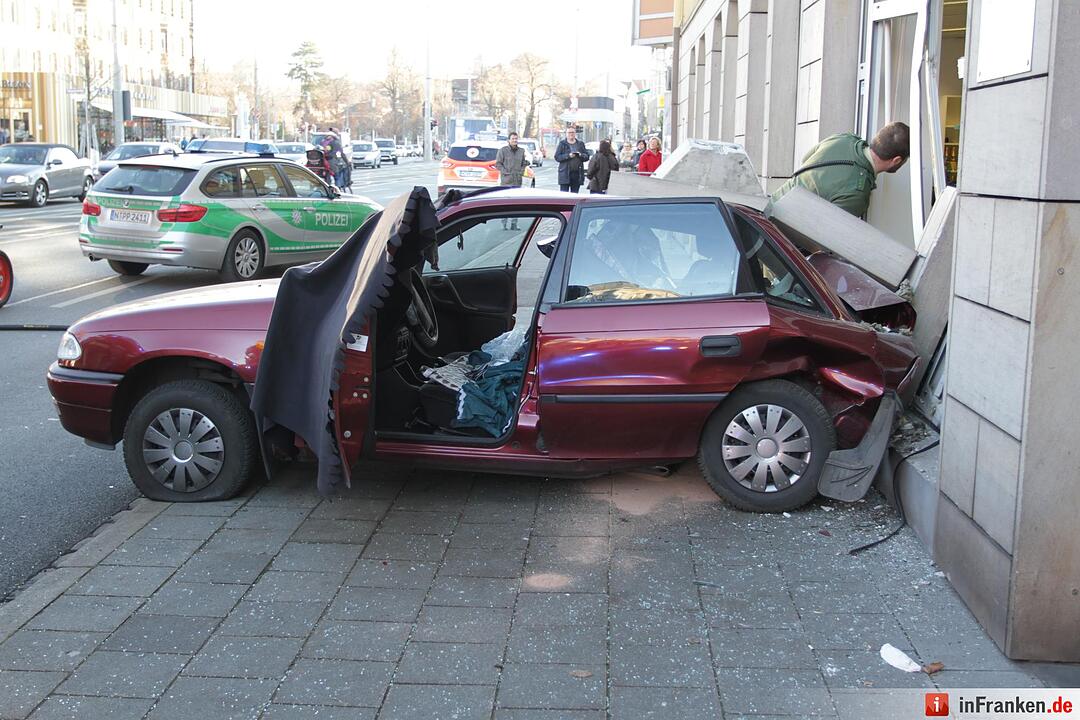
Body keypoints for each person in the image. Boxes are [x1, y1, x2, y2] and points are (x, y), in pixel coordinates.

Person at [772, 121, 909, 218]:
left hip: (766, 211)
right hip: (778, 241)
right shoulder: (857, 194)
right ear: (896, 160)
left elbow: (806, 159)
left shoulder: (844, 139)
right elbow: (827, 237)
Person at [495, 132, 529, 230]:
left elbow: (523, 163)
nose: (515, 140)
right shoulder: (503, 150)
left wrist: (522, 170)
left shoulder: (521, 151)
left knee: (516, 204)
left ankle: (514, 223)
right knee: (505, 204)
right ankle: (504, 223)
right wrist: (505, 172)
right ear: (508, 140)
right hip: (506, 181)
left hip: (517, 181)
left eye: (516, 139)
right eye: (513, 139)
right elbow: (498, 164)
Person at [554, 126, 587, 193]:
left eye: (573, 132)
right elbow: (557, 157)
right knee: (564, 196)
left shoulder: (580, 144)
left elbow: (586, 156)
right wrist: (568, 156)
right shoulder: (562, 144)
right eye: (569, 132)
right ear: (566, 134)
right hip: (565, 173)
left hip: (577, 174)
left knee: (574, 195)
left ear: (575, 134)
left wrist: (580, 155)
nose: (571, 134)